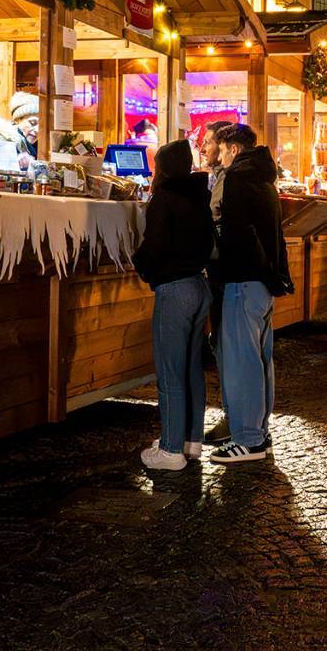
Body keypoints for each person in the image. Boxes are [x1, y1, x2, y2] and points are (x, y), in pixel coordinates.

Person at [211, 125, 292, 464]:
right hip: (262, 282)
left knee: (243, 362)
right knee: (258, 360)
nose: (218, 154)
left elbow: (237, 235)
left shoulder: (237, 179)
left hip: (243, 280)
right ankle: (259, 433)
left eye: (220, 148)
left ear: (231, 148)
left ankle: (248, 440)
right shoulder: (263, 178)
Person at [134, 140, 214, 471]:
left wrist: (141, 265)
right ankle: (191, 441)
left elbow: (154, 247)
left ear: (162, 168)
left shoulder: (163, 200)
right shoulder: (200, 198)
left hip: (175, 291)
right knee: (192, 368)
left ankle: (170, 450)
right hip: (199, 285)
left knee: (170, 373)